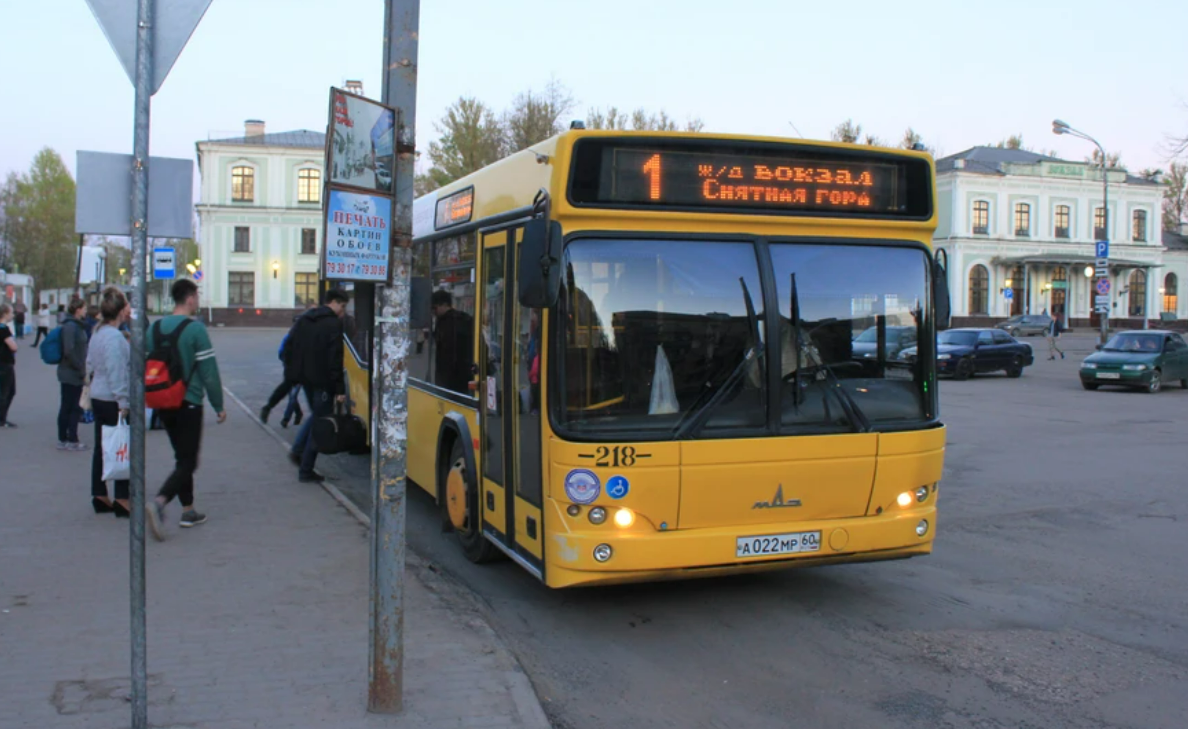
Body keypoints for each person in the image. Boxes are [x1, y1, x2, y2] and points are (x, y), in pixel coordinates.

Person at [145, 279, 226, 541]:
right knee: (189, 460)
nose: (198, 300)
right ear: (190, 298)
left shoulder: (154, 328)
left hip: (162, 401)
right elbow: (209, 372)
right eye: (197, 296)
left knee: (182, 457)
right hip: (188, 402)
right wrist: (219, 405)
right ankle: (159, 502)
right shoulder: (195, 330)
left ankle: (189, 510)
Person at [286, 290, 348, 483]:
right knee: (321, 422)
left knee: (316, 416)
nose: (343, 312)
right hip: (323, 382)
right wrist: (339, 389)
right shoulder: (333, 324)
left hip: (305, 379)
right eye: (343, 306)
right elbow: (335, 359)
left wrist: (295, 373)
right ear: (335, 303)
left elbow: (290, 346)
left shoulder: (305, 320)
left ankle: (297, 451)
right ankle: (306, 470)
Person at [85, 287, 131, 516]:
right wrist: (123, 400)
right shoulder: (113, 336)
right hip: (113, 398)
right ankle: (123, 498)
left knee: (102, 447)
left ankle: (99, 494)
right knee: (121, 446)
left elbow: (90, 364)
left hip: (98, 395)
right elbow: (116, 371)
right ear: (122, 310)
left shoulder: (98, 332)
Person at [57, 298, 89, 451]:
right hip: (71, 373)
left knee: (69, 405)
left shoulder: (76, 325)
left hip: (72, 371)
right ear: (78, 310)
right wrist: (80, 369)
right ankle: (69, 439)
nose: (86, 311)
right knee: (71, 406)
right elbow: (69, 351)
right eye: (84, 308)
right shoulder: (71, 326)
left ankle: (65, 438)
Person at [431, 289, 474, 393]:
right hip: (464, 375)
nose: (433, 312)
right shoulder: (465, 318)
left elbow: (448, 351)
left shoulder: (448, 322)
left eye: (434, 308)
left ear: (444, 305)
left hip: (452, 377)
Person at [0, 304, 17, 428]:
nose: (13, 315)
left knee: (6, 392)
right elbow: (13, 346)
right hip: (5, 364)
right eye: (11, 312)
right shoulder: (3, 329)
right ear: (5, 314)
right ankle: (2, 419)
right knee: (7, 392)